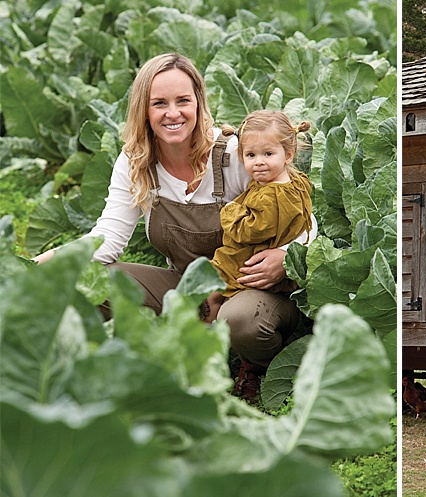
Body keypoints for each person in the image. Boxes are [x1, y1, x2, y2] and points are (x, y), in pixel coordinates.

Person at [33, 53, 316, 402]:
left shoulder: (234, 154)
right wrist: (39, 266)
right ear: (144, 110)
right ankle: (109, 363)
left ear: (198, 102)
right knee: (85, 281)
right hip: (187, 285)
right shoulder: (136, 161)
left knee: (241, 320)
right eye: (159, 104)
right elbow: (106, 240)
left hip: (251, 285)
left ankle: (258, 369)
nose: (173, 113)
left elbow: (303, 217)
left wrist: (285, 256)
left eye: (183, 100)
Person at [204, 110, 313, 324]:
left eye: (268, 154)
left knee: (209, 292)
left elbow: (250, 230)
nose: (259, 162)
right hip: (257, 255)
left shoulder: (270, 196)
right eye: (251, 155)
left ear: (288, 154)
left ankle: (206, 338)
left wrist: (229, 210)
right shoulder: (295, 182)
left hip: (248, 258)